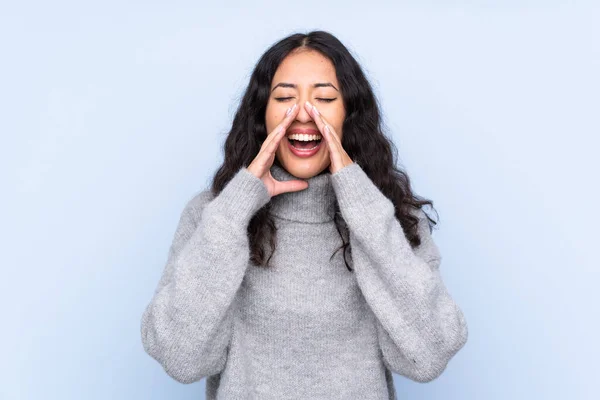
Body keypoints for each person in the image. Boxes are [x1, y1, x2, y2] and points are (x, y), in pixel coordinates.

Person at [140, 30, 468, 399]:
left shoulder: (392, 219)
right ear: (263, 115)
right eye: (284, 98)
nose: (302, 114)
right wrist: (238, 206)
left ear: (350, 115)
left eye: (325, 98)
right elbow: (179, 358)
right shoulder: (214, 215)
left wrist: (360, 202)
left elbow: (428, 357)